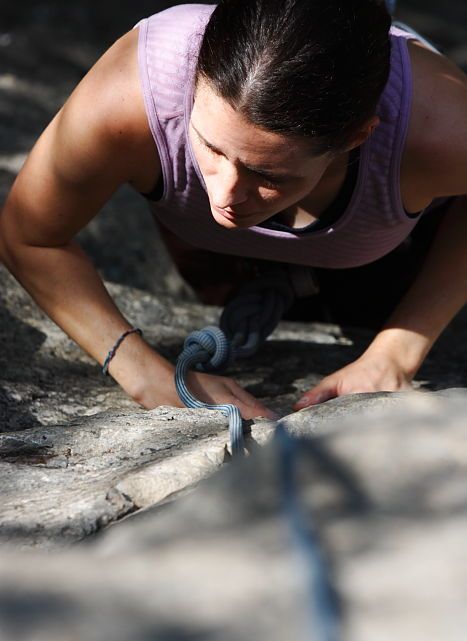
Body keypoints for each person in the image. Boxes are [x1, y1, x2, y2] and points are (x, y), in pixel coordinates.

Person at [1, 0, 467, 420]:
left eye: (270, 176)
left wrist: (400, 348)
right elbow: (30, 233)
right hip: (222, 264)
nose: (224, 195)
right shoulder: (135, 92)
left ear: (357, 137)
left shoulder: (437, 131)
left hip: (395, 258)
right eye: (209, 147)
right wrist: (147, 375)